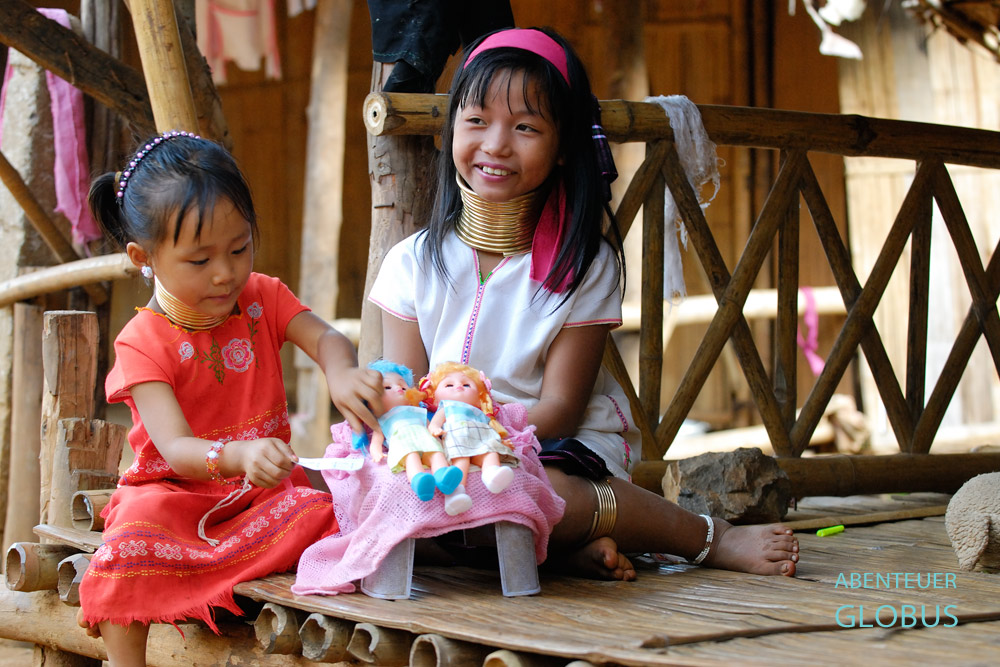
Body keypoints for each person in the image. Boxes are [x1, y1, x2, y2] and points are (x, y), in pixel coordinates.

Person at [368, 27, 800, 581]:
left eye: (525, 127)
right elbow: (409, 389)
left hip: (551, 447)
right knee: (363, 492)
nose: (496, 144)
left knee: (540, 492)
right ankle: (555, 551)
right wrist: (439, 442)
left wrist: (483, 438)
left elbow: (562, 409)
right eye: (476, 121)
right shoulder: (411, 262)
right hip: (440, 451)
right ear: (452, 126)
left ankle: (711, 541)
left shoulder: (585, 265)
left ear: (564, 145)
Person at [76, 130, 382, 665]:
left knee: (332, 509)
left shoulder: (262, 296)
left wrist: (341, 374)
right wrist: (238, 455)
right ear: (142, 256)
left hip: (260, 494)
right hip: (174, 494)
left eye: (239, 248)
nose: (225, 273)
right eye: (199, 260)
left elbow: (328, 338)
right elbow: (174, 450)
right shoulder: (141, 342)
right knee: (126, 550)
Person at [423, 362, 517, 515]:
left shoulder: (479, 412)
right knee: (461, 461)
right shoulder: (447, 406)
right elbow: (435, 423)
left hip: (481, 440)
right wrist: (434, 428)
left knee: (490, 452)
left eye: (466, 385)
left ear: (479, 396)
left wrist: (500, 442)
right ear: (435, 396)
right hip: (458, 439)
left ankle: (491, 474)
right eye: (449, 385)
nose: (459, 386)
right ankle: (455, 495)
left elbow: (489, 431)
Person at [365, 359, 464, 502]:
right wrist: (376, 453)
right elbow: (377, 440)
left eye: (403, 386)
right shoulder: (383, 418)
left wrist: (438, 436)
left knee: (436, 454)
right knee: (411, 458)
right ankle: (419, 480)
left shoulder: (418, 410)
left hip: (426, 439)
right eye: (387, 387)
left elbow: (430, 426)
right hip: (403, 443)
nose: (398, 388)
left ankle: (443, 476)